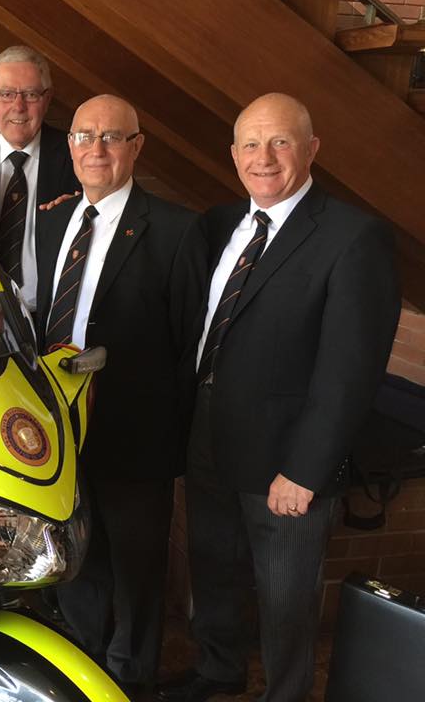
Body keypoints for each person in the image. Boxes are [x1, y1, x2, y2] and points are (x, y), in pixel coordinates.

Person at [156, 93, 401, 702]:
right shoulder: (218, 225)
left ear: (312, 148)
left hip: (286, 461)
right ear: (233, 153)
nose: (263, 157)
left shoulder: (353, 236)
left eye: (281, 141)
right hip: (210, 437)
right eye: (249, 144)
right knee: (213, 570)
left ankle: (286, 693)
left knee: (286, 595)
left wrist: (306, 469)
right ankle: (219, 671)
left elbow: (350, 371)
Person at [34, 95, 205, 697]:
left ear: (136, 146)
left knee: (135, 570)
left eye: (111, 137)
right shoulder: (52, 219)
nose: (96, 149)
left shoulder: (178, 230)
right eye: (84, 137)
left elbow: (190, 346)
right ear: (70, 146)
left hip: (136, 433)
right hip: (59, 428)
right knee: (76, 556)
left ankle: (131, 680)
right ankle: (86, 670)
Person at [0, 45, 79, 311]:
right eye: (7, 94)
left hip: (54, 313)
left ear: (47, 98)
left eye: (30, 95)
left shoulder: (77, 160)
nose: (18, 107)